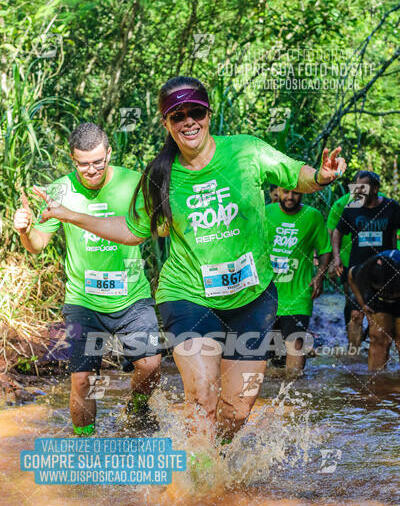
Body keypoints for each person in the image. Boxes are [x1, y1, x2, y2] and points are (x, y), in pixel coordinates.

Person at [32, 77, 346, 442]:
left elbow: (297, 175)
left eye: (195, 111)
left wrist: (322, 176)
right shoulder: (160, 175)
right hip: (188, 296)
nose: (188, 121)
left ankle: (216, 463)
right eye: (177, 115)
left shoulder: (246, 152)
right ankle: (192, 483)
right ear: (166, 123)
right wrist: (69, 215)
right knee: (202, 395)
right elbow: (132, 229)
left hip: (253, 297)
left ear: (208, 113)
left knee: (238, 408)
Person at [14, 123, 161, 436]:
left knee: (150, 365)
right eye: (83, 163)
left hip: (132, 296)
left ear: (109, 153)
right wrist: (26, 230)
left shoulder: (133, 182)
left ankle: (136, 407)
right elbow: (38, 246)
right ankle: (85, 441)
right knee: (83, 379)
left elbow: (143, 232)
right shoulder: (59, 190)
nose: (92, 169)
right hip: (83, 300)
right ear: (72, 158)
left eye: (98, 161)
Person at [266, 187, 332, 370]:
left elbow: (325, 249)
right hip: (266, 295)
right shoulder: (265, 213)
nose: (290, 197)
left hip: (298, 294)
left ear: (303, 193)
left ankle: (295, 392)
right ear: (278, 191)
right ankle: (273, 395)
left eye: (295, 193)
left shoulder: (312, 216)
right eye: (286, 192)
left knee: (296, 345)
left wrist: (320, 276)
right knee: (272, 354)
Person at [332, 170, 400, 348]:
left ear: (375, 188)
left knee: (381, 316)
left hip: (385, 272)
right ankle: (354, 354)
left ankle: (379, 348)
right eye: (356, 187)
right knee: (356, 313)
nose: (358, 191)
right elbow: (338, 231)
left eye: (363, 187)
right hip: (358, 270)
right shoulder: (351, 208)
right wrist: (337, 257)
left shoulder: (392, 207)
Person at [348, 250, 400, 369]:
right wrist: (363, 305)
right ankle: (376, 380)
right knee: (378, 337)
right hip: (378, 302)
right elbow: (351, 276)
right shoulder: (366, 270)